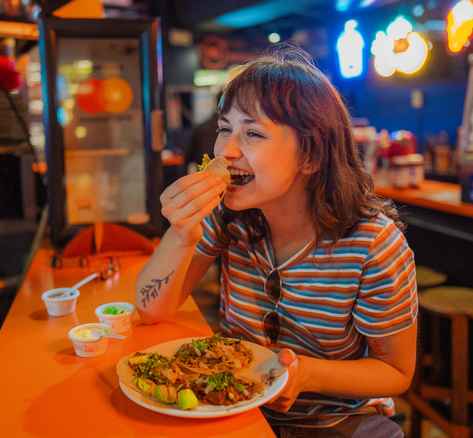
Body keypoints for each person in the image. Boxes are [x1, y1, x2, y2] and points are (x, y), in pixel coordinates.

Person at [135, 43, 417, 438]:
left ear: (310, 156)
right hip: (237, 408)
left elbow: (396, 372)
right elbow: (150, 310)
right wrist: (181, 233)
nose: (225, 150)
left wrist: (305, 375)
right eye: (225, 128)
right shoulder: (227, 214)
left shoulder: (373, 245)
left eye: (253, 133)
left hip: (339, 421)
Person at [183, 92, 223, 175]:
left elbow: (188, 157)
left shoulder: (201, 127)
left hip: (204, 174)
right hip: (225, 174)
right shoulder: (233, 128)